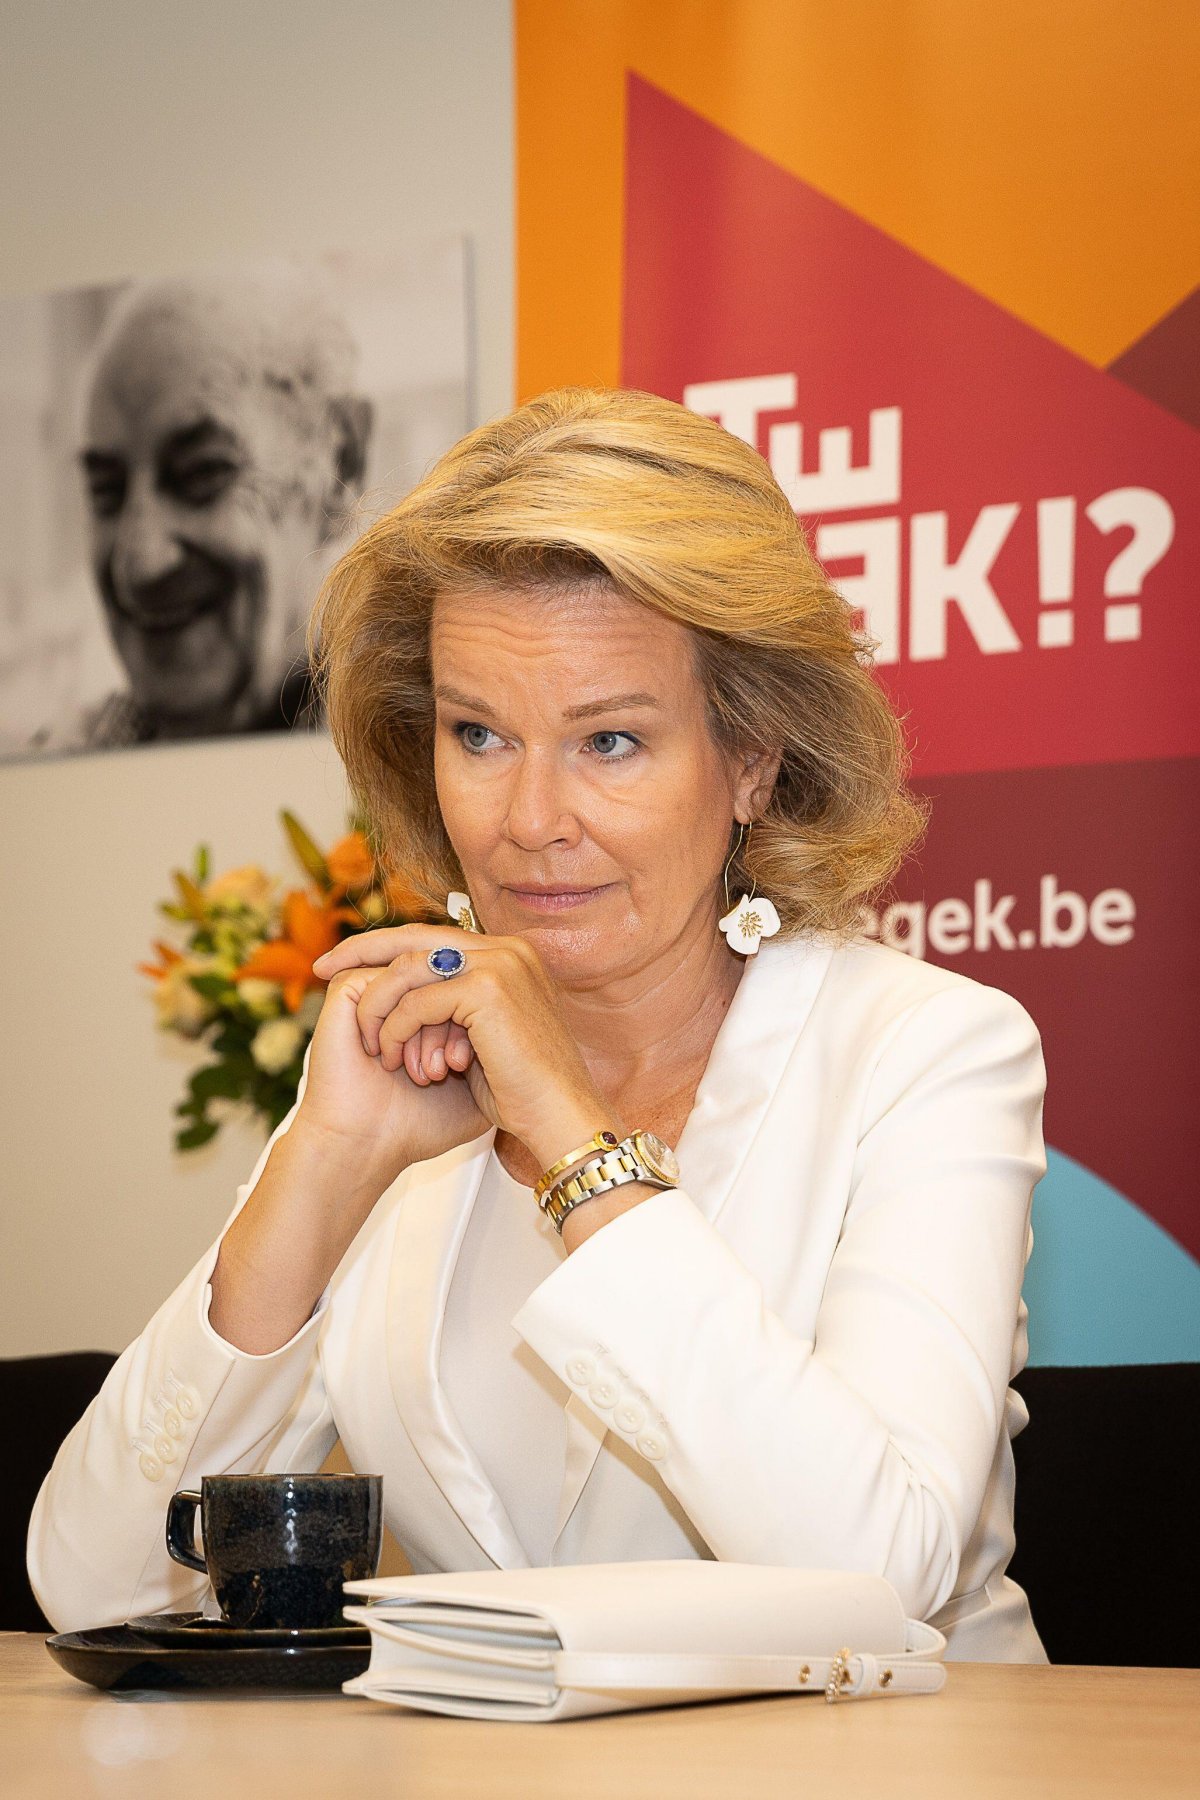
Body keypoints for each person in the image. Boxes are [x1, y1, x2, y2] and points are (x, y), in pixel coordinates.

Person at [27, 388, 1049, 1661]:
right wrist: (329, 1163)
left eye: (610, 740)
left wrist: (571, 1136)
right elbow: (96, 1584)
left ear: (751, 761)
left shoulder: (927, 1052)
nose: (528, 819)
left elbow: (878, 1581)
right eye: (478, 735)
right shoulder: (407, 1075)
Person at [67, 260, 373, 748]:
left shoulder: (418, 753)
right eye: (107, 491)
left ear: (341, 461)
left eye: (202, 472)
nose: (140, 564)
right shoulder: (73, 758)